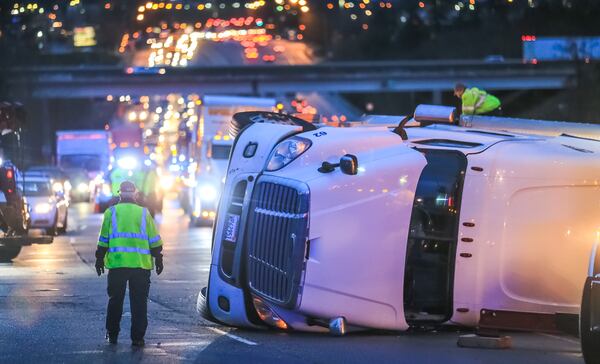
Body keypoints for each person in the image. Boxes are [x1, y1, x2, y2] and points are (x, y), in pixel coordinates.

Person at [95, 181, 164, 347]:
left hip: (118, 265)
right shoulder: (143, 213)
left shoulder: (110, 212)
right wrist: (158, 257)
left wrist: (99, 258)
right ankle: (138, 338)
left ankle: (112, 335)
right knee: (139, 303)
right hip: (140, 266)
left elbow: (104, 239)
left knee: (115, 301)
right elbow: (153, 239)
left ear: (120, 194)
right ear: (135, 194)